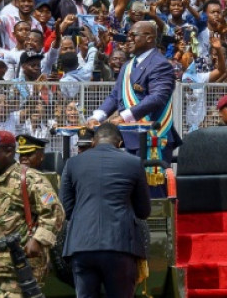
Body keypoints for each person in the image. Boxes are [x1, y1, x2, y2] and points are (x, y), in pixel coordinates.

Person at [0, 131, 64, 298]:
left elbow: (54, 213)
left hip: (22, 265)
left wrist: (37, 240)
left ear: (9, 152)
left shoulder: (30, 179)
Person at [60, 123, 151, 298]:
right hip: (120, 246)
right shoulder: (133, 163)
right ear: (120, 143)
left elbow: (67, 210)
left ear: (93, 142)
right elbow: (143, 211)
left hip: (82, 246)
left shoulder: (73, 163)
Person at [93, 21, 179, 191]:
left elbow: (158, 97)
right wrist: (98, 116)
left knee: (152, 194)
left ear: (149, 38)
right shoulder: (128, 65)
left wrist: (124, 117)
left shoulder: (160, 64)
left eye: (133, 35)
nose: (128, 39)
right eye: (127, 35)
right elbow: (114, 96)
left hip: (152, 138)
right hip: (127, 138)